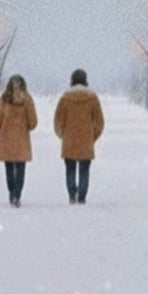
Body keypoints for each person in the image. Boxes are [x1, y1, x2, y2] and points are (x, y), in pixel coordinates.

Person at [53, 68, 105, 204]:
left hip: (69, 140)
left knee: (70, 169)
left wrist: (62, 135)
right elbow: (100, 122)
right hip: (86, 141)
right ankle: (81, 196)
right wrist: (93, 137)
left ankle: (72, 194)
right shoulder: (92, 98)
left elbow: (58, 120)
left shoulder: (65, 98)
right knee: (84, 170)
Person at [0, 74, 37, 207]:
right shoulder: (27, 100)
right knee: (21, 169)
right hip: (22, 140)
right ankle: (18, 194)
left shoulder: (4, 100)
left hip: (6, 140)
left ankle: (12, 194)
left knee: (9, 169)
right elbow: (33, 122)